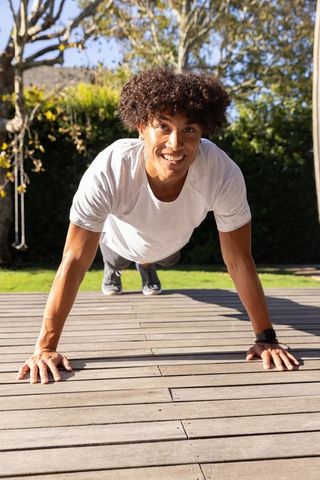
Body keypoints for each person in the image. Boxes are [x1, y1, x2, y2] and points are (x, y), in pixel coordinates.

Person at [17, 67, 299, 384]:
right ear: (141, 128)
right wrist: (45, 347)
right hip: (116, 243)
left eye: (189, 129)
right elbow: (75, 258)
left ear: (203, 131)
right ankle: (117, 269)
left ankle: (148, 266)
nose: (175, 143)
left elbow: (238, 258)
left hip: (171, 245)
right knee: (114, 258)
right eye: (162, 127)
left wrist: (267, 338)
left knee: (160, 257)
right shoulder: (112, 167)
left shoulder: (221, 172)